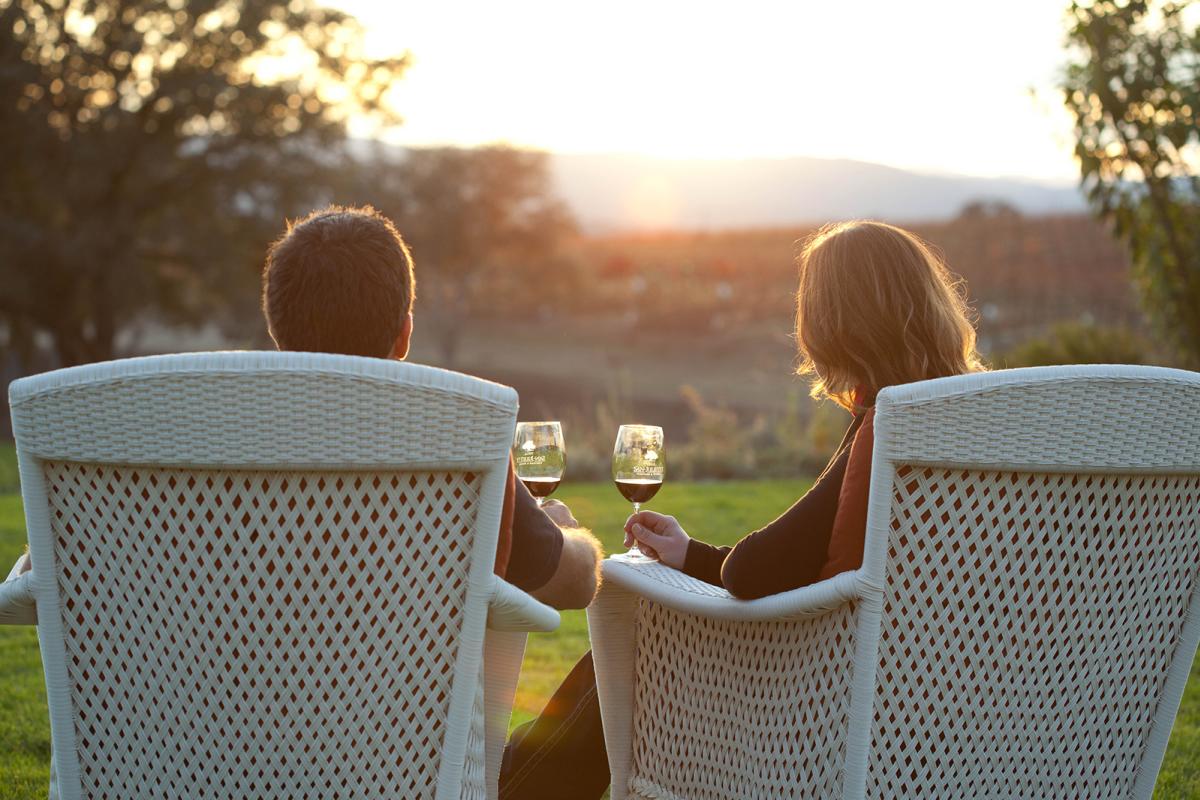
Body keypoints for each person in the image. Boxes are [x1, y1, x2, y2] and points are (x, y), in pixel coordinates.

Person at [499, 220, 985, 799]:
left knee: (644, 635)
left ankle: (513, 786)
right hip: (958, 701)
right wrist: (692, 555)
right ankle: (516, 774)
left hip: (825, 702)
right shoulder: (982, 429)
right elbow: (805, 559)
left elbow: (753, 571)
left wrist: (709, 565)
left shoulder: (891, 425)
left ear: (832, 325)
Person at [261, 204, 602, 609]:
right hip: (401, 674)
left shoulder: (193, 427)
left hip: (222, 673)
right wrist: (564, 534)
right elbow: (574, 584)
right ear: (404, 335)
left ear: (275, 328)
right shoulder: (461, 431)